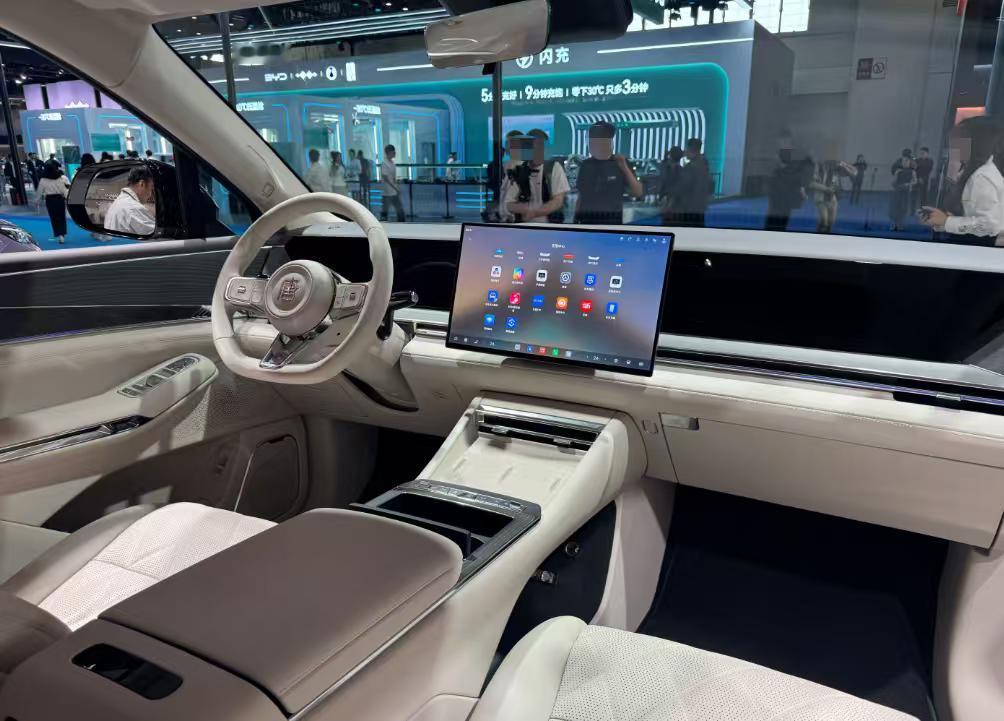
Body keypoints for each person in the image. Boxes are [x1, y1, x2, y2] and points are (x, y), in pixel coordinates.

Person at [921, 115, 1004, 246]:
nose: (953, 147)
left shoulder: (981, 177)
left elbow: (989, 225)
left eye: (959, 141)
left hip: (978, 250)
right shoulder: (975, 173)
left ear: (977, 144)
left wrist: (946, 222)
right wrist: (943, 220)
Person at [573, 121, 642, 225]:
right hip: (586, 223)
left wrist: (624, 167)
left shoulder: (620, 163)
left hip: (611, 224)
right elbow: (581, 195)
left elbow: (638, 192)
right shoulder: (586, 165)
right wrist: (575, 221)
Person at [501, 128, 570, 223]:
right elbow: (508, 203)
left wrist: (535, 212)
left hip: (550, 226)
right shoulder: (519, 170)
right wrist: (524, 209)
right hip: (523, 226)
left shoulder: (553, 168)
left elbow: (558, 201)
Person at [105, 165, 156, 236]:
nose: (150, 194)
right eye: (151, 188)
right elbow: (156, 235)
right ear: (142, 184)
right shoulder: (133, 208)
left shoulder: (119, 201)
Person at [765, 148, 808, 232]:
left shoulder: (776, 173)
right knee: (781, 228)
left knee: (771, 229)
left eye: (777, 156)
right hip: (786, 210)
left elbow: (771, 192)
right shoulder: (795, 174)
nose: (775, 158)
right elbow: (801, 192)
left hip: (775, 210)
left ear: (780, 159)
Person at [809, 155, 854, 233]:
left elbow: (854, 172)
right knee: (824, 223)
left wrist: (844, 164)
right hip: (821, 199)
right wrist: (826, 189)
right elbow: (811, 183)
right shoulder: (817, 168)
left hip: (832, 199)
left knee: (831, 223)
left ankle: (826, 237)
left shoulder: (836, 170)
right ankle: (818, 237)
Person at [674, 137, 711, 227]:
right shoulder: (704, 164)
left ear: (691, 149)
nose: (685, 151)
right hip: (700, 206)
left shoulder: (690, 167)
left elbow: (683, 187)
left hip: (689, 206)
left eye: (687, 149)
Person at [36, 161, 70, 244]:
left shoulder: (43, 180)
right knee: (61, 217)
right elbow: (64, 190)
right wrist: (68, 199)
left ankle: (58, 234)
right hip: (60, 199)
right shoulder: (59, 178)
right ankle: (62, 234)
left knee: (54, 218)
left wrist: (37, 200)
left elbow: (39, 191)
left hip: (50, 200)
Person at [380, 144, 406, 222]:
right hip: (387, 191)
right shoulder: (384, 164)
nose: (395, 153)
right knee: (385, 211)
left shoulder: (392, 163)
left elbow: (393, 178)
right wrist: (395, 188)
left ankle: (402, 223)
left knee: (399, 209)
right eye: (393, 152)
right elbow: (386, 178)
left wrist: (397, 186)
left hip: (393, 191)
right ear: (388, 152)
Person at [890, 156, 916, 231]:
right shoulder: (898, 171)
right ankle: (895, 224)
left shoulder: (912, 172)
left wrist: (909, 184)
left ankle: (900, 224)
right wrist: (895, 176)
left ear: (909, 163)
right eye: (903, 161)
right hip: (898, 191)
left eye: (906, 161)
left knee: (903, 208)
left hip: (906, 192)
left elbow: (915, 181)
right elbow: (893, 182)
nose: (905, 163)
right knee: (895, 207)